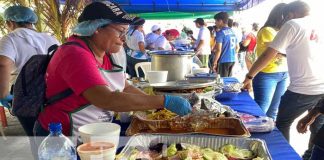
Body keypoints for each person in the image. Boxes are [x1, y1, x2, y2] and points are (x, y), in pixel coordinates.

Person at [35, 1, 192, 137]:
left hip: (94, 132)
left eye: (126, 32)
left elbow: (125, 86)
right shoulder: (74, 54)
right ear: (97, 27)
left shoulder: (106, 53)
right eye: (121, 32)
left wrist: (154, 108)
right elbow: (106, 99)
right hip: (62, 136)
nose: (124, 39)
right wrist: (163, 101)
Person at [242, 1, 324, 159]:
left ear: (290, 14)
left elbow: (268, 54)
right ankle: (309, 157)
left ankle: (282, 157)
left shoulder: (293, 24)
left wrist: (249, 76)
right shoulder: (319, 24)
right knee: (317, 128)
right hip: (321, 87)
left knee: (282, 124)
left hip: (302, 88)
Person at [0, 6, 59, 136]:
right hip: (52, 93)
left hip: (25, 96)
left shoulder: (10, 38)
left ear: (10, 22)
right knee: (53, 130)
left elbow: (3, 63)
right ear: (31, 22)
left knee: (35, 135)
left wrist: (3, 94)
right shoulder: (50, 38)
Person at [250, 3, 289, 120]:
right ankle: (254, 136)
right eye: (288, 15)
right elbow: (277, 51)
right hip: (267, 74)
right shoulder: (267, 30)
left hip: (283, 73)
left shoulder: (282, 31)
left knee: (273, 112)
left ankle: (268, 136)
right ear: (281, 15)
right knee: (261, 110)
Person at [212, 12, 240, 77]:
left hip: (223, 60)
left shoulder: (220, 33)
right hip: (232, 60)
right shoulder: (232, 31)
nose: (215, 23)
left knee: (222, 82)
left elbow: (218, 50)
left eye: (216, 21)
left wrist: (215, 62)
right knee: (228, 81)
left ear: (220, 21)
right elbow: (237, 47)